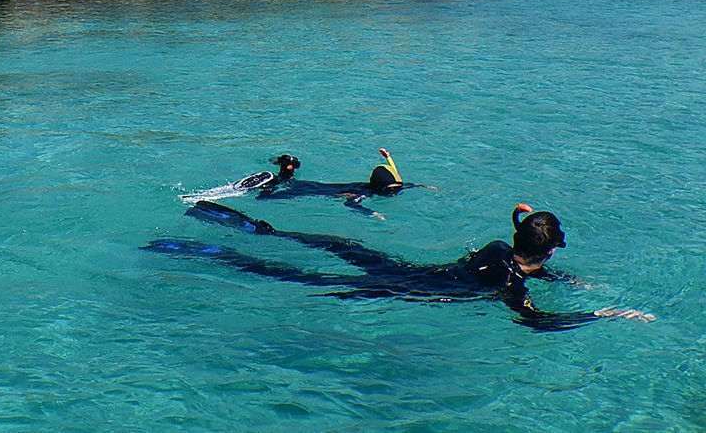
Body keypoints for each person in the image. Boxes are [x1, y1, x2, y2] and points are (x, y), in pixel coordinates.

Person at [144, 201, 655, 332]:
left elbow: (530, 245)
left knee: (339, 244)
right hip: (401, 290)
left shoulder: (499, 246)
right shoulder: (510, 286)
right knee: (298, 278)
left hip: (415, 269)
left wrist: (527, 215)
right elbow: (537, 322)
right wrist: (599, 314)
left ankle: (253, 228)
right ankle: (208, 254)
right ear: (551, 251)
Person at [257, 150, 435, 219]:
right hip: (317, 191)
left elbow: (404, 185)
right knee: (289, 188)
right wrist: (372, 213)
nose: (395, 193)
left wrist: (423, 186)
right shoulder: (365, 193)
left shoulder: (391, 186)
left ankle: (287, 166)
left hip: (321, 187)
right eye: (392, 190)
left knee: (291, 182)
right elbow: (349, 203)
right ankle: (268, 185)